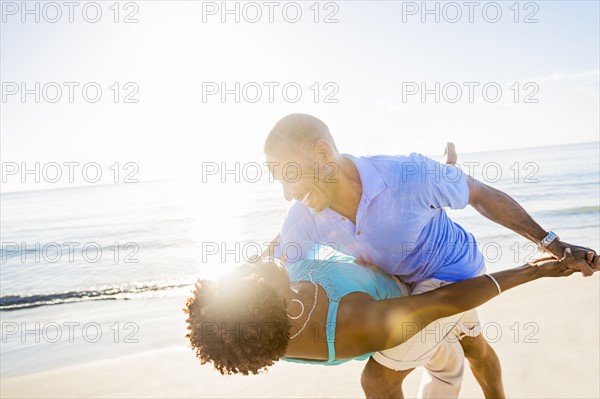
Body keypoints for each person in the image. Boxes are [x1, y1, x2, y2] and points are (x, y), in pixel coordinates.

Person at [260, 114, 599, 398]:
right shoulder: (303, 215)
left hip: (458, 276)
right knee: (473, 348)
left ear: (322, 152)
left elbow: (480, 193)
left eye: (290, 176)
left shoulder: (405, 176)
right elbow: (275, 263)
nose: (288, 193)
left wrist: (552, 244)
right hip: (404, 285)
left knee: (378, 380)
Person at [184, 249, 589, 399]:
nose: (258, 257)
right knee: (464, 344)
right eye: (253, 270)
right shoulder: (354, 322)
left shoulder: (261, 316)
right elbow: (443, 300)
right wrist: (533, 271)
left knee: (467, 348)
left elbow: (279, 245)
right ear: (277, 304)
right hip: (411, 310)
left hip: (396, 283)